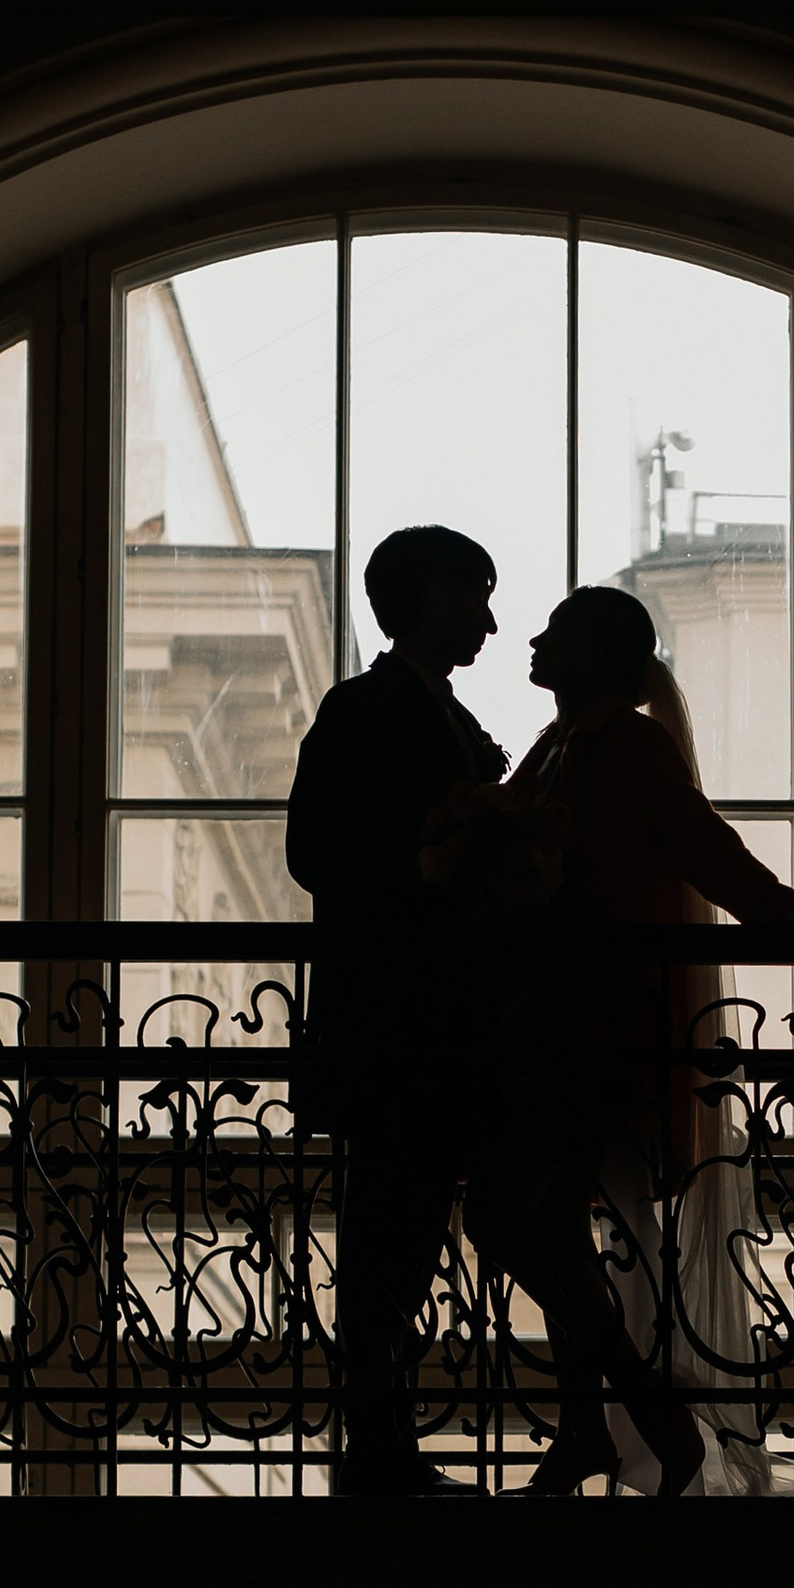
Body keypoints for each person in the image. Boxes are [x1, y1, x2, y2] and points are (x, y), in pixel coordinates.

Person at [459, 584, 794, 1499]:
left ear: (594, 655)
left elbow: (706, 852)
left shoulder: (627, 747)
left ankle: (640, 1418)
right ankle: (601, 1425)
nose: (534, 639)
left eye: (559, 630)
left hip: (591, 1027)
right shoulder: (560, 748)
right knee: (543, 1225)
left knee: (514, 1218)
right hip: (547, 1023)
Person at [284, 524, 506, 1501]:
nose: (490, 621)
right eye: (474, 597)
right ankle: (376, 1440)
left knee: (402, 1232)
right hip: (398, 1023)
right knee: (390, 1235)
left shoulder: (404, 708)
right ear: (428, 597)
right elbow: (314, 851)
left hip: (418, 1022)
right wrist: (426, 868)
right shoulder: (370, 709)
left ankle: (378, 1436)